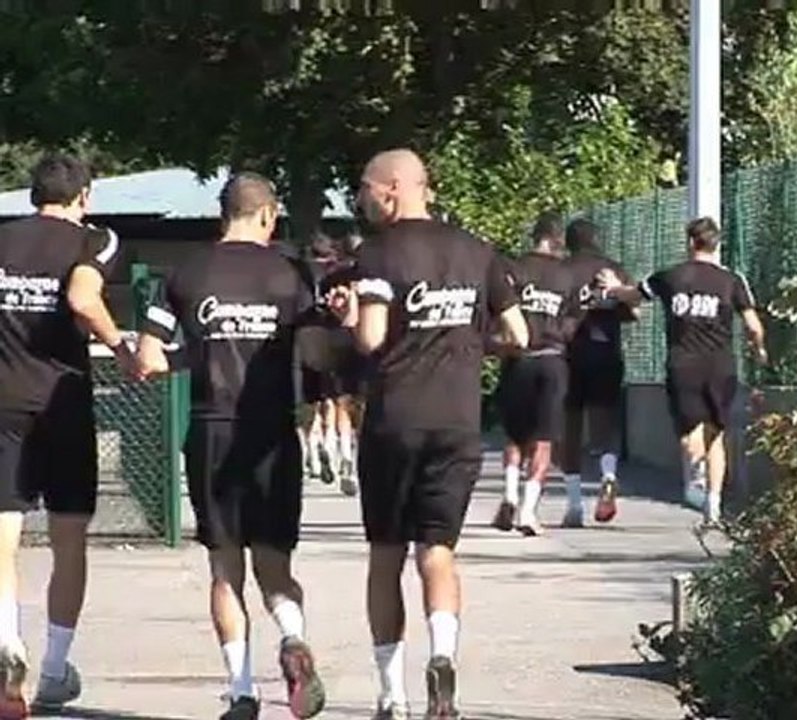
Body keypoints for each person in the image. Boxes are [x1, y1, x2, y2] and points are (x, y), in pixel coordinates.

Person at [328, 149, 527, 720]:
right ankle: (443, 657)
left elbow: (369, 337)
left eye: (365, 189)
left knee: (386, 556)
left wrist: (344, 324)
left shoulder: (379, 254)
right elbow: (515, 332)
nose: (360, 199)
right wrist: (468, 344)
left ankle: (392, 695)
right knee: (438, 552)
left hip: (395, 422)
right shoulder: (476, 251)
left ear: (392, 189)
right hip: (458, 425)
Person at [136, 172, 325, 720]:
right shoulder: (291, 274)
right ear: (268, 216)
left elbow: (149, 358)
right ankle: (291, 637)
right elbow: (316, 352)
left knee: (225, 570)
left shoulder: (186, 273)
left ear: (225, 214)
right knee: (275, 564)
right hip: (270, 433)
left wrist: (188, 358)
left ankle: (242, 691)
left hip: (211, 429)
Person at [0, 153, 133, 716]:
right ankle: (54, 669)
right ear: (85, 197)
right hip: (65, 402)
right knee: (69, 536)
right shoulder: (94, 239)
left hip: (3, 399)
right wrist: (123, 348)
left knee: (3, 534)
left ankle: (7, 643)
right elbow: (82, 298)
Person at [597, 217, 767, 525]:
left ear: (690, 242)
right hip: (721, 366)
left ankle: (704, 490)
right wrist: (760, 349)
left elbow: (634, 295)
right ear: (716, 245)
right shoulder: (732, 281)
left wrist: (612, 289)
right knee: (716, 435)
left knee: (689, 436)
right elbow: (754, 326)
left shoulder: (671, 277)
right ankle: (713, 502)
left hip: (683, 364)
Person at [490, 211, 581, 537]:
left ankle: (509, 494)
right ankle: (528, 510)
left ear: (535, 235)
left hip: (518, 359)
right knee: (544, 439)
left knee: (515, 434)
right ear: (559, 240)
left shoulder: (513, 269)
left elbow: (496, 314)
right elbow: (572, 324)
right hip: (552, 360)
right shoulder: (568, 276)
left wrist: (498, 343)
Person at [560, 219, 637, 527]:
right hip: (607, 353)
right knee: (604, 424)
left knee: (570, 429)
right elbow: (635, 312)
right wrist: (610, 300)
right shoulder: (613, 269)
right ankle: (607, 474)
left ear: (569, 242)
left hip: (570, 356)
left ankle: (575, 504)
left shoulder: (561, 271)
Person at [296, 230, 364, 496]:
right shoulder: (371, 275)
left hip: (330, 339)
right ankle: (348, 459)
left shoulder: (331, 279)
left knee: (334, 402)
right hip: (359, 341)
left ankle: (334, 450)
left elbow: (324, 308)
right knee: (355, 405)